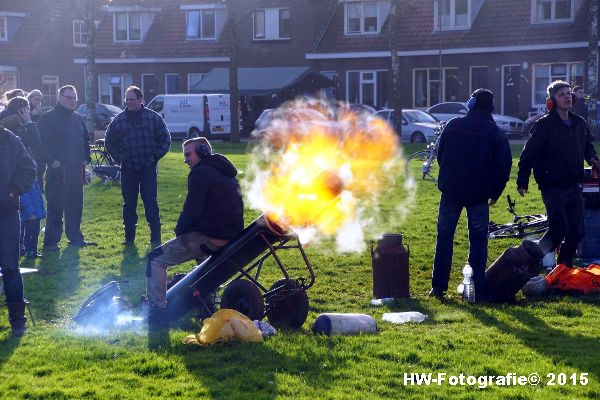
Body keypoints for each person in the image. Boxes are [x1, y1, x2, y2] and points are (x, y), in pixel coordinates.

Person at [145, 137, 244, 328]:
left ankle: (157, 311)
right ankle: (206, 304)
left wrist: (179, 232)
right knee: (202, 257)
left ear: (203, 151)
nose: (186, 160)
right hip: (230, 236)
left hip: (210, 237)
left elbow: (192, 211)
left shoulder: (200, 173)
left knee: (155, 259)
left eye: (188, 154)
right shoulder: (225, 172)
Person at [429, 89, 512, 301]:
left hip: (451, 192)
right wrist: (495, 192)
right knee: (478, 240)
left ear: (471, 103)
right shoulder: (495, 131)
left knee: (444, 238)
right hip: (479, 194)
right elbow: (503, 166)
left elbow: (441, 155)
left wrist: (449, 179)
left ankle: (438, 288)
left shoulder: (453, 125)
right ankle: (476, 288)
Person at [517, 81, 600, 267]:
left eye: (569, 93)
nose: (567, 97)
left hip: (574, 185)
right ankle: (530, 260)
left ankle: (564, 266)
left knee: (577, 231)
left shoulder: (579, 123)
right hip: (552, 186)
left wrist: (593, 159)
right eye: (561, 94)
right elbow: (528, 154)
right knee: (558, 230)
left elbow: (587, 147)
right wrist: (522, 180)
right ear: (551, 100)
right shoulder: (544, 125)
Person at [105, 86, 171, 247]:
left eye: (132, 99)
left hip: (148, 168)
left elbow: (166, 140)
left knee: (150, 202)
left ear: (140, 100)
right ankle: (129, 238)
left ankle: (155, 238)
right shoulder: (118, 120)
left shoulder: (153, 118)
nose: (128, 102)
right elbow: (109, 142)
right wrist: (120, 158)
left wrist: (155, 157)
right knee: (129, 204)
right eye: (126, 99)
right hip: (128, 168)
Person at [38, 85, 95, 251]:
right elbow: (40, 144)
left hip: (76, 170)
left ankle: (75, 238)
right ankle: (51, 242)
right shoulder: (48, 118)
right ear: (60, 98)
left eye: (75, 97)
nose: (73, 101)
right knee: (56, 207)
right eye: (69, 97)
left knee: (75, 206)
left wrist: (86, 158)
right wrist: (52, 161)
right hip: (58, 170)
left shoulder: (78, 118)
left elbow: (85, 140)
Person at [0, 126, 37, 336]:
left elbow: (28, 167)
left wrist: (14, 189)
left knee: (10, 267)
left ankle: (18, 322)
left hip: (6, 212)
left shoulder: (8, 138)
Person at [0, 97, 46, 258]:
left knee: (36, 213)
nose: (30, 111)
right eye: (27, 108)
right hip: (19, 181)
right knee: (29, 215)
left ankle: (27, 249)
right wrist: (29, 122)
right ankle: (24, 248)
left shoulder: (18, 127)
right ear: (20, 110)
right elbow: (35, 142)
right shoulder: (14, 128)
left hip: (27, 177)